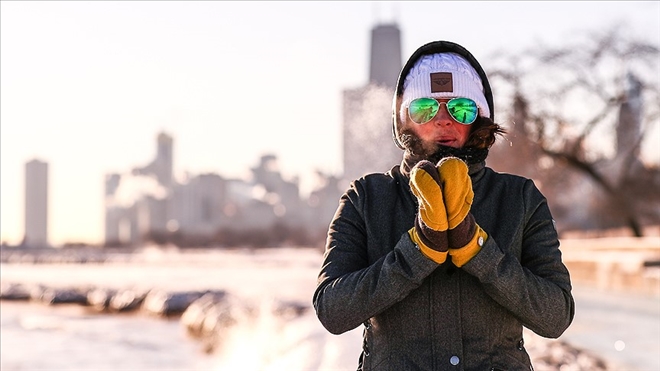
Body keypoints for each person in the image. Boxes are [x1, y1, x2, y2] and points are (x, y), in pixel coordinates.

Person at [312, 40, 575, 371]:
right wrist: (417, 252)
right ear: (404, 118)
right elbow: (332, 310)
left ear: (478, 119)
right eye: (425, 108)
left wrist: (478, 250)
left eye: (461, 108)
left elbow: (556, 316)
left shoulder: (519, 198)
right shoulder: (365, 198)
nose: (443, 120)